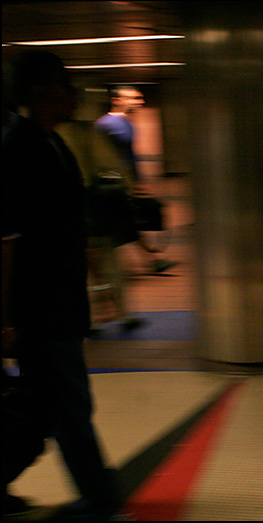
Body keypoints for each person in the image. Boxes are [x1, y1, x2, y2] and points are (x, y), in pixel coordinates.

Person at [2, 49, 123, 520]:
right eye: (64, 84)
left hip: (60, 303)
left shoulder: (54, 144)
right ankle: (100, 497)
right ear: (40, 92)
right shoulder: (18, 152)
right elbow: (7, 244)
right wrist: (6, 319)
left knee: (39, 407)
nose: (74, 94)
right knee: (68, 404)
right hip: (39, 308)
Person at [58, 119, 147, 333]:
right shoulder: (89, 132)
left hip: (68, 206)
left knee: (80, 264)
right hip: (95, 204)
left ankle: (92, 318)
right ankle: (123, 314)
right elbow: (111, 163)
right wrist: (129, 186)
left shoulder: (54, 135)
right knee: (109, 259)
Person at [95, 85, 176, 275]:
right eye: (133, 98)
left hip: (126, 182)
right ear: (116, 100)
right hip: (114, 183)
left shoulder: (128, 123)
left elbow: (129, 156)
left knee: (126, 221)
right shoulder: (104, 125)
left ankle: (152, 259)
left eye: (139, 98)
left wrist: (136, 181)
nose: (139, 102)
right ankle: (153, 259)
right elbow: (102, 156)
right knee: (124, 222)